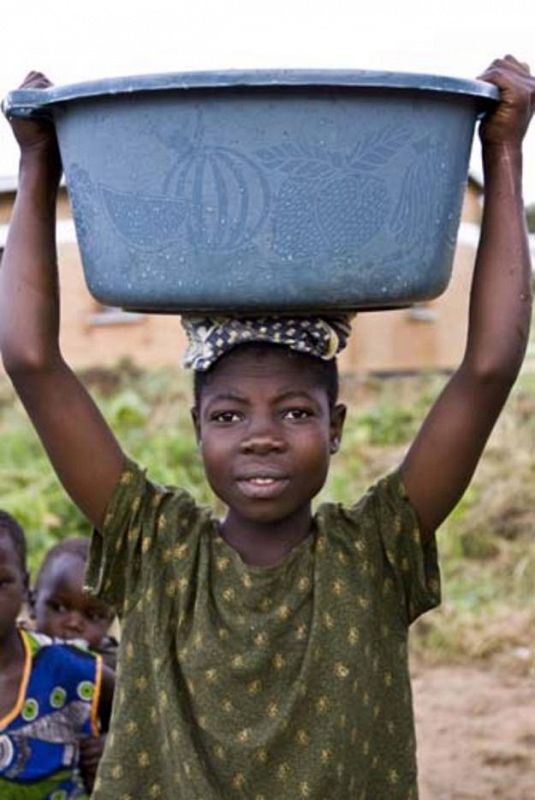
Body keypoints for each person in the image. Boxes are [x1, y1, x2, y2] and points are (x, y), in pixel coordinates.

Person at [0, 55, 533, 799]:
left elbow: (487, 368)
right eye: (227, 414)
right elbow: (31, 360)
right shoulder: (158, 550)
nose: (260, 435)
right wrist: (37, 166)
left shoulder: (373, 554)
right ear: (194, 427)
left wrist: (503, 153)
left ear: (335, 425)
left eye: (294, 411)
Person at [0, 510, 114, 799]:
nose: (73, 624)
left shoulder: (79, 673)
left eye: (0, 582)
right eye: (60, 608)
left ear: (25, 587)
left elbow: (151, 731)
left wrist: (113, 752)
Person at [32, 536, 118, 669]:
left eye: (93, 616)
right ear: (33, 602)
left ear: (108, 623)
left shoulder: (117, 672)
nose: (74, 624)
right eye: (58, 608)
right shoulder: (14, 655)